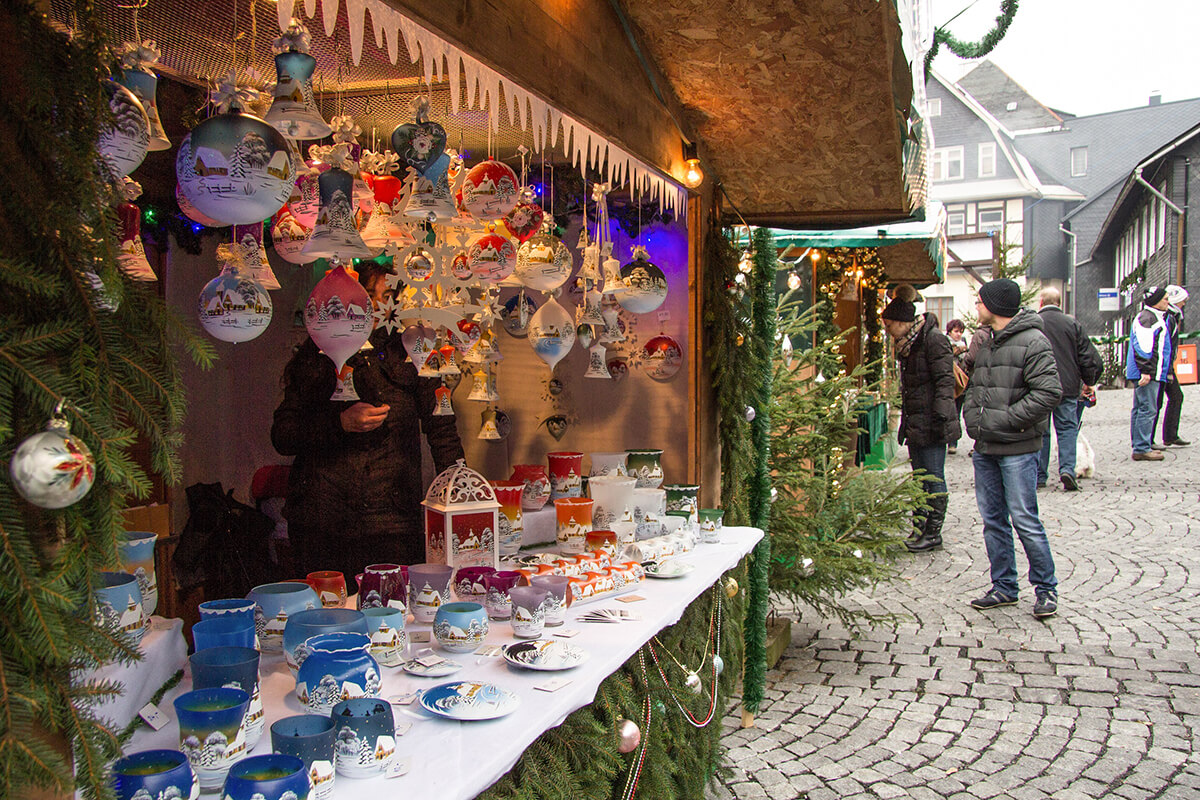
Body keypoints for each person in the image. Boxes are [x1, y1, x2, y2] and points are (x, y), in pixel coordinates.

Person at [271, 264, 464, 578]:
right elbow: (283, 435)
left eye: (384, 297)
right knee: (331, 614)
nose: (375, 307)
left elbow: (442, 427)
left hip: (393, 523)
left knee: (391, 611)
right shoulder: (317, 354)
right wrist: (339, 424)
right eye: (366, 298)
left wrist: (462, 489)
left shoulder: (415, 348)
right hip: (324, 522)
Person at [962, 278, 1062, 618]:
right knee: (993, 521)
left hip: (1018, 446)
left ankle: (1046, 589)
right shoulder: (987, 342)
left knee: (1024, 518)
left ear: (995, 306)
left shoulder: (1033, 341)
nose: (976, 306)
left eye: (979, 301)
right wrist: (974, 417)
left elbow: (1048, 393)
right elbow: (978, 386)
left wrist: (1007, 419)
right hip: (985, 446)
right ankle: (1004, 586)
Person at [881, 296, 960, 553]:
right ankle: (919, 527)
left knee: (934, 476)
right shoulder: (908, 344)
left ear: (903, 323)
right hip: (916, 420)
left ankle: (933, 532)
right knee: (919, 478)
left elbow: (945, 382)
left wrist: (940, 418)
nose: (887, 331)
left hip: (932, 422)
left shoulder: (933, 340)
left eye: (890, 325)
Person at [1036, 287, 1103, 491]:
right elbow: (1088, 356)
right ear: (1059, 303)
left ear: (1040, 302)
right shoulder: (1072, 323)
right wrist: (1089, 381)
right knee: (1067, 429)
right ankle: (1067, 469)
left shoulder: (1035, 323)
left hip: (1040, 386)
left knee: (1042, 432)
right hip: (1068, 386)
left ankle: (1039, 475)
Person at [1126, 285, 1173, 462]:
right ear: (1156, 301)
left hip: (1148, 371)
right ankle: (1142, 447)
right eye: (1165, 299)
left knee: (1140, 408)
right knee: (1147, 408)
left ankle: (1139, 444)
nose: (1168, 302)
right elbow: (1145, 347)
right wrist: (1146, 371)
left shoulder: (1148, 317)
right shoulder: (1149, 319)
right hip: (1149, 372)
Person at [1154, 285, 1189, 448]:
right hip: (1162, 366)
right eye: (1183, 301)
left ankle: (1169, 435)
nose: (1184, 304)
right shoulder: (1170, 318)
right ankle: (1152, 439)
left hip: (1165, 365)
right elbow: (1165, 344)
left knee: (1174, 397)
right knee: (1158, 401)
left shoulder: (1172, 317)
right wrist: (1168, 370)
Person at [946, 319, 968, 454]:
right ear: (949, 332)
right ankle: (947, 440)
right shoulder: (945, 343)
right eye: (956, 331)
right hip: (949, 383)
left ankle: (953, 443)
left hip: (960, 384)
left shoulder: (964, 343)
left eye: (960, 332)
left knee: (957, 413)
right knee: (949, 413)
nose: (958, 334)